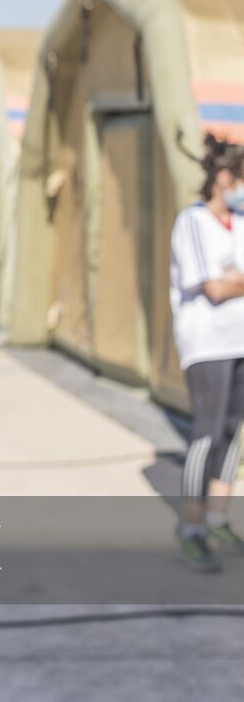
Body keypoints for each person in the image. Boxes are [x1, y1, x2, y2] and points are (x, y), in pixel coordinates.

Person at [169, 134, 244, 572]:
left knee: (235, 434)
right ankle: (193, 527)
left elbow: (229, 281)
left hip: (239, 340)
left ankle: (218, 518)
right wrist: (232, 281)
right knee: (207, 433)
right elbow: (214, 288)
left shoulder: (240, 223)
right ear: (224, 177)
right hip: (207, 343)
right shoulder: (193, 223)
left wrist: (235, 280)